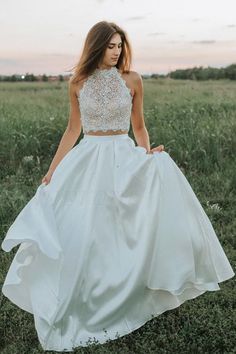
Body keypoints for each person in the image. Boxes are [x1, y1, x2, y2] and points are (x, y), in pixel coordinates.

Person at [1, 21, 234, 352]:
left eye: (120, 46)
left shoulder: (133, 80)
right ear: (96, 47)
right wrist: (52, 171)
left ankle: (129, 288)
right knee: (86, 228)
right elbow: (72, 130)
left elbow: (139, 126)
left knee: (125, 226)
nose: (117, 52)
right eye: (110, 46)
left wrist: (146, 156)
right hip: (89, 158)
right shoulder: (77, 82)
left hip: (124, 155)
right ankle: (87, 292)